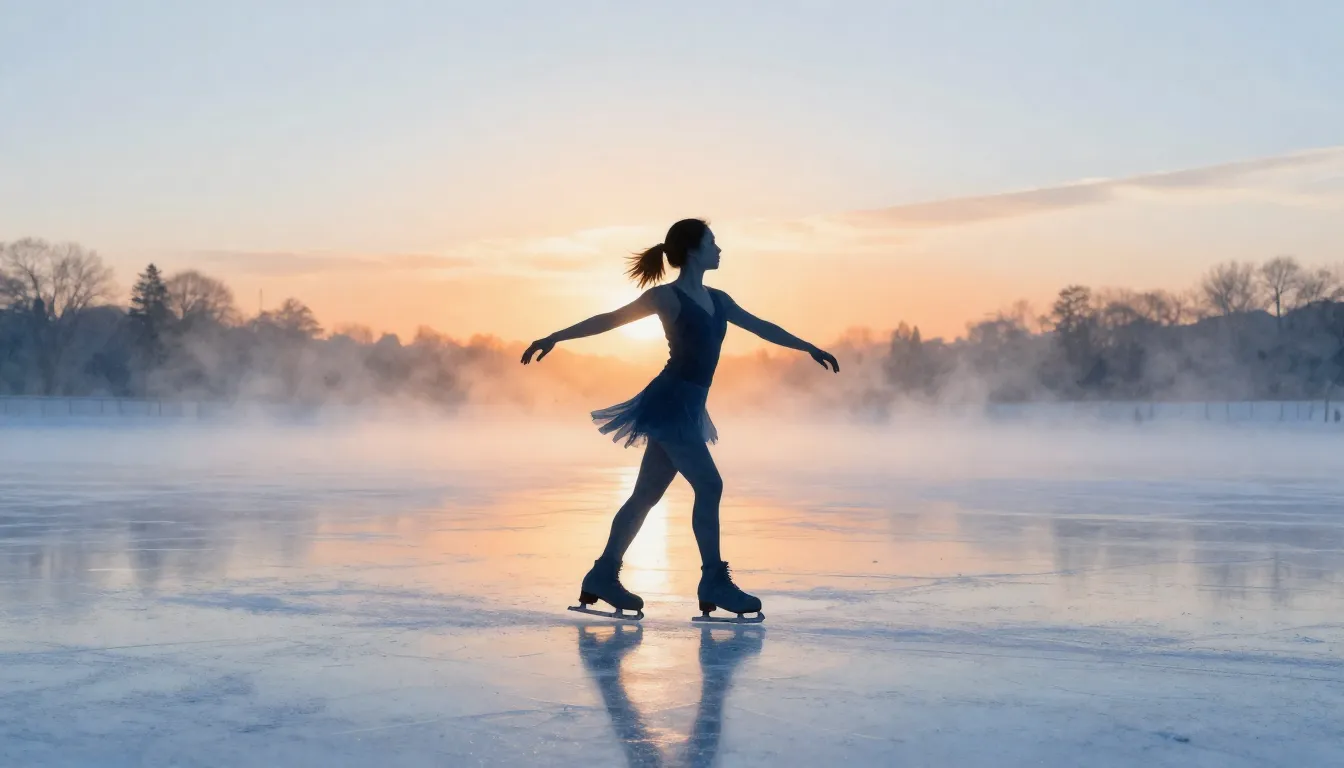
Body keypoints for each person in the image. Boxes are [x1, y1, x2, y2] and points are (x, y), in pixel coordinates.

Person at [522, 219, 839, 620]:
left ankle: (602, 575)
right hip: (671, 402)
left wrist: (807, 346)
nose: (719, 249)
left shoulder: (718, 299)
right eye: (712, 242)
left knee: (646, 496)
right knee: (709, 484)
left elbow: (762, 327)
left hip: (688, 406)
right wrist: (555, 336)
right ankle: (713, 581)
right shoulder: (666, 298)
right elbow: (609, 319)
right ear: (693, 250)